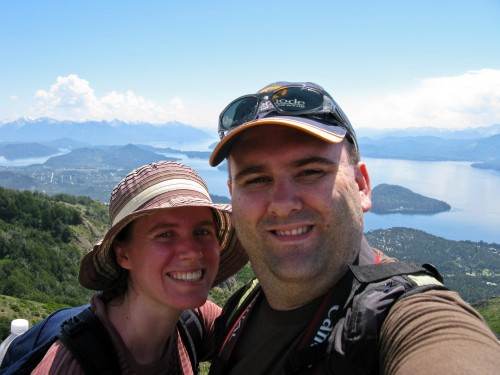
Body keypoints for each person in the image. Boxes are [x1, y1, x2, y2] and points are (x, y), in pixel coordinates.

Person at [207, 82, 500, 374]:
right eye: (256, 179)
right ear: (233, 195)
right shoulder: (244, 303)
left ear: (361, 187)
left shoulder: (407, 316)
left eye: (310, 172)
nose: (282, 204)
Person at [32, 161, 247, 374]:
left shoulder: (196, 321)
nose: (192, 252)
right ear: (124, 255)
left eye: (202, 232)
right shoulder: (70, 366)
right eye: (166, 234)